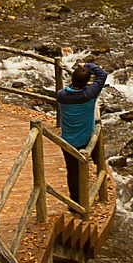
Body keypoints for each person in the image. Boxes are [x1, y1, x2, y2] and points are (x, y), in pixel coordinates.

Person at [55, 59, 107, 202]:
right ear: (86, 83)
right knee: (95, 159)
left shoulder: (61, 95)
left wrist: (80, 71)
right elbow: (102, 75)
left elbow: (71, 88)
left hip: (68, 141)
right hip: (87, 138)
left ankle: (76, 202)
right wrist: (87, 66)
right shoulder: (89, 94)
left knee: (72, 172)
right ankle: (99, 184)